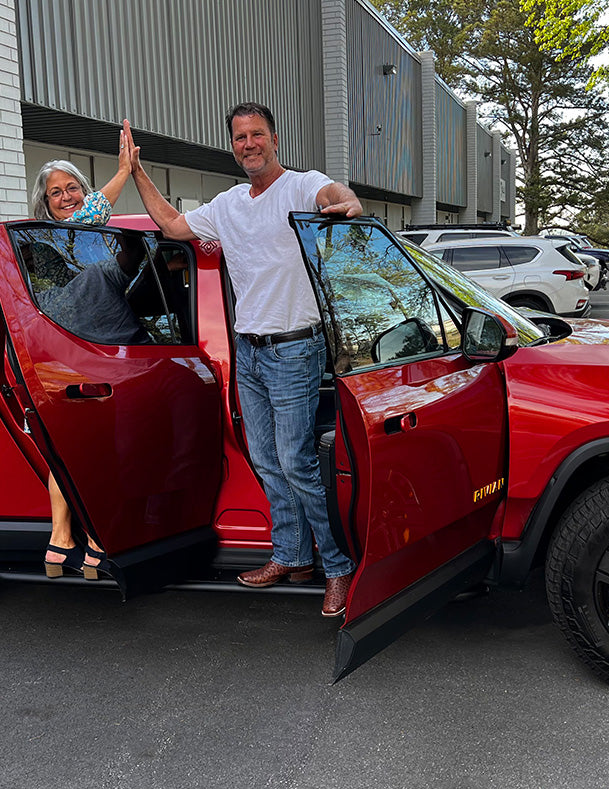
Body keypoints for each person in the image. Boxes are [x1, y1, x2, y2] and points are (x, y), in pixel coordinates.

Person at [123, 103, 361, 618]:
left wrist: (350, 203)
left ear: (275, 139)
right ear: (232, 145)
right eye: (239, 137)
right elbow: (171, 226)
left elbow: (332, 195)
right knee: (269, 462)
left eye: (256, 135)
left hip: (296, 346)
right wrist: (137, 171)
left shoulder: (300, 186)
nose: (248, 144)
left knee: (297, 463)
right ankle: (291, 556)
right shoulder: (229, 204)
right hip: (249, 351)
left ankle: (338, 567)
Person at [29, 120, 139, 579]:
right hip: (87, 358)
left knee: (71, 451)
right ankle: (93, 539)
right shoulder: (43, 240)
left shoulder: (85, 241)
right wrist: (124, 172)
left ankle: (60, 542)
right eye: (57, 191)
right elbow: (91, 214)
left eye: (73, 187)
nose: (67, 196)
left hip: (82, 356)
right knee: (101, 453)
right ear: (44, 202)